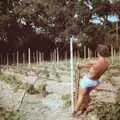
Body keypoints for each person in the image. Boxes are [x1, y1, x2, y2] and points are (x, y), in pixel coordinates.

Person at [72, 44, 110, 117]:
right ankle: (85, 108)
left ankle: (74, 112)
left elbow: (81, 65)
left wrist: (78, 65)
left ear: (98, 53)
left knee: (80, 96)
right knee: (86, 94)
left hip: (87, 81)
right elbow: (96, 68)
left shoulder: (94, 62)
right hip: (95, 82)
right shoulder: (107, 63)